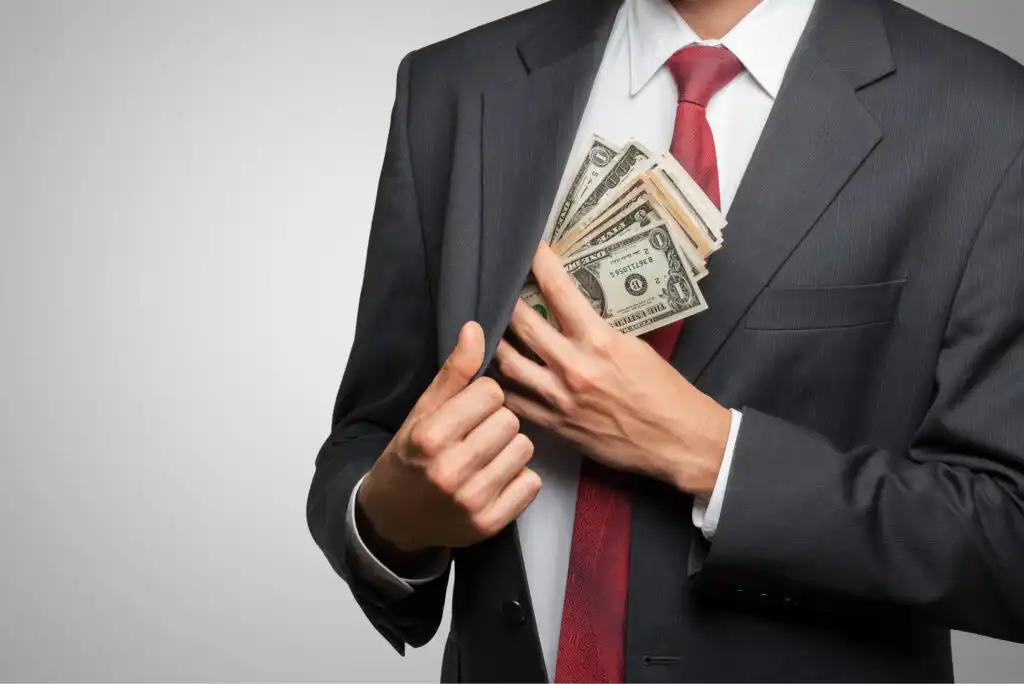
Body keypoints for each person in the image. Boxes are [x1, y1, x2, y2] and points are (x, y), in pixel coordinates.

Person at [306, 0, 1024, 680]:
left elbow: (1008, 534)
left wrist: (715, 455)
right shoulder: (455, 85)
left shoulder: (988, 117)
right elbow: (371, 433)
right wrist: (389, 519)